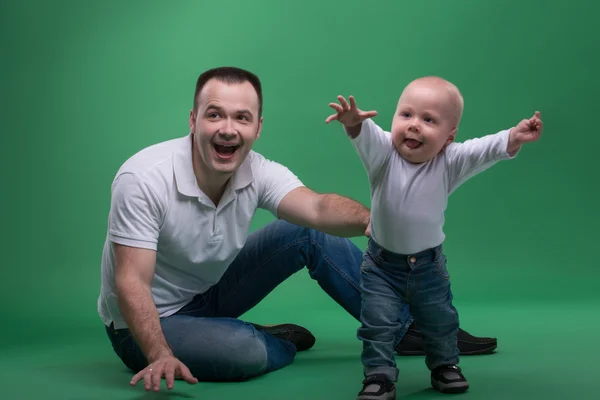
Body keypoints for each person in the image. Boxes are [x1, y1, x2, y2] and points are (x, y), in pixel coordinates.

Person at [97, 67, 498, 393]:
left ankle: (414, 329)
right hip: (147, 324)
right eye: (215, 114)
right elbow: (131, 282)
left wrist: (377, 222)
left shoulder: (256, 168)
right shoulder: (144, 178)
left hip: (211, 294)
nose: (227, 129)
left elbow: (318, 208)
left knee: (307, 232)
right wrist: (159, 353)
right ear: (193, 120)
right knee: (245, 353)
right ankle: (256, 337)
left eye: (242, 118)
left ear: (257, 127)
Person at [324, 76, 543, 399]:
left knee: (440, 321)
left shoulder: (449, 161)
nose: (414, 126)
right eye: (406, 115)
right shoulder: (384, 154)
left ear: (448, 137)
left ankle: (445, 366)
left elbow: (482, 150)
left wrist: (514, 137)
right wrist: (354, 124)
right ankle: (379, 375)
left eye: (428, 120)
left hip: (428, 267)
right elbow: (365, 135)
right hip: (382, 267)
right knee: (378, 325)